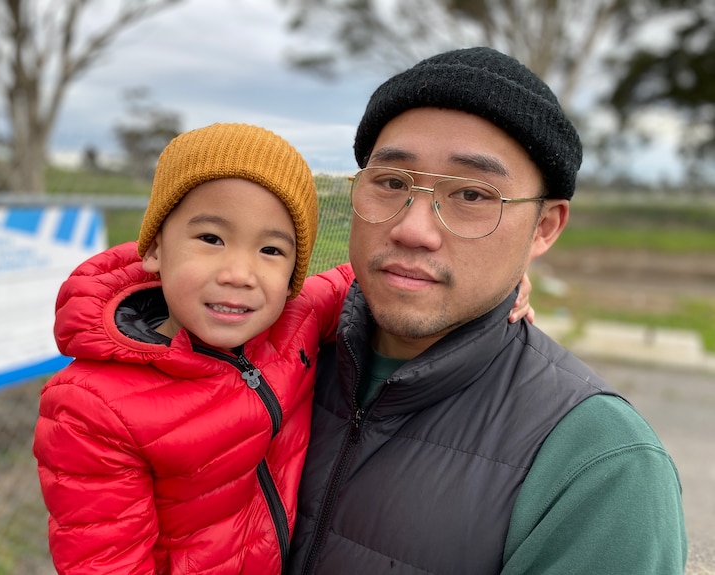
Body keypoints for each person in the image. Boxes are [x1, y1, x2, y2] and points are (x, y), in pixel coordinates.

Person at [34, 121, 533, 574]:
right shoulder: (91, 407)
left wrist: (495, 280)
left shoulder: (295, 322)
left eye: (272, 250)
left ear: (294, 274)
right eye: (211, 237)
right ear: (156, 249)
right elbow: (104, 563)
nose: (239, 274)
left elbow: (365, 281)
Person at [285, 47, 687, 575]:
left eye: (472, 195)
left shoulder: (599, 467)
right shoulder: (263, 354)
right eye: (391, 183)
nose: (413, 229)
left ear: (544, 227)